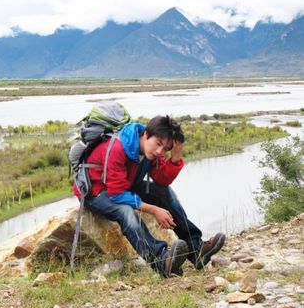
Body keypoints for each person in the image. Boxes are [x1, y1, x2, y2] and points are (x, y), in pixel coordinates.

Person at [73, 115, 225, 277]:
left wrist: (175, 156)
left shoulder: (151, 152)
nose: (159, 151)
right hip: (96, 192)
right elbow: (116, 194)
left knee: (164, 192)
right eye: (158, 144)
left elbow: (162, 180)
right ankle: (161, 261)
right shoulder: (117, 148)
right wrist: (154, 210)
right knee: (126, 212)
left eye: (165, 148)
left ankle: (196, 250)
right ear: (146, 134)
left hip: (126, 184)